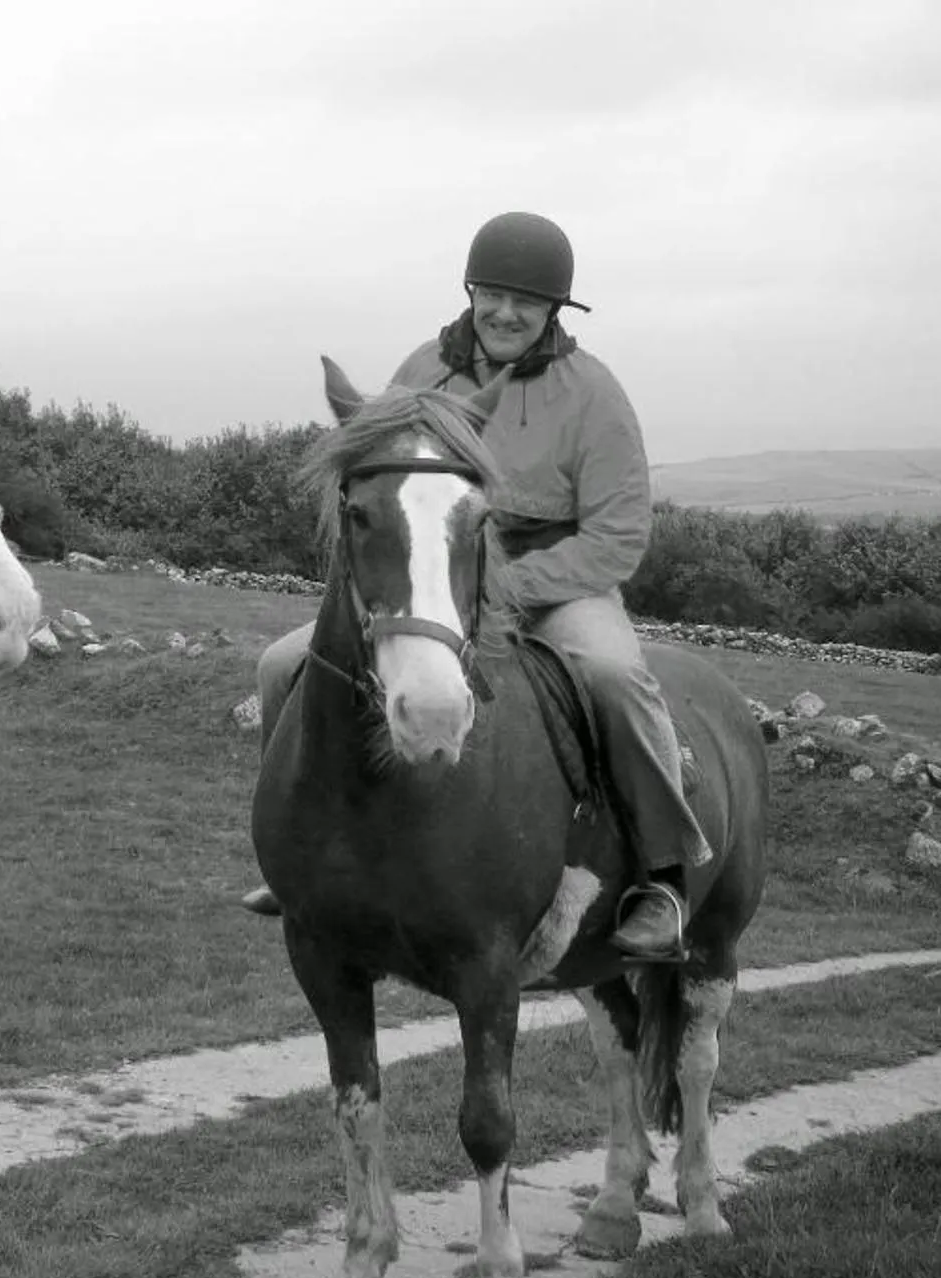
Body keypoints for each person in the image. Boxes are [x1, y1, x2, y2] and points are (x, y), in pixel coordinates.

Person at [242, 211, 709, 963]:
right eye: (492, 294)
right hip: (439, 578)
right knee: (281, 665)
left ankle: (663, 877)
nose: (505, 312)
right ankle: (295, 853)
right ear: (471, 293)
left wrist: (506, 586)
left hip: (556, 584)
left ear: (554, 311)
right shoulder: (423, 369)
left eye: (527, 301)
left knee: (615, 675)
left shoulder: (593, 393)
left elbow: (618, 535)